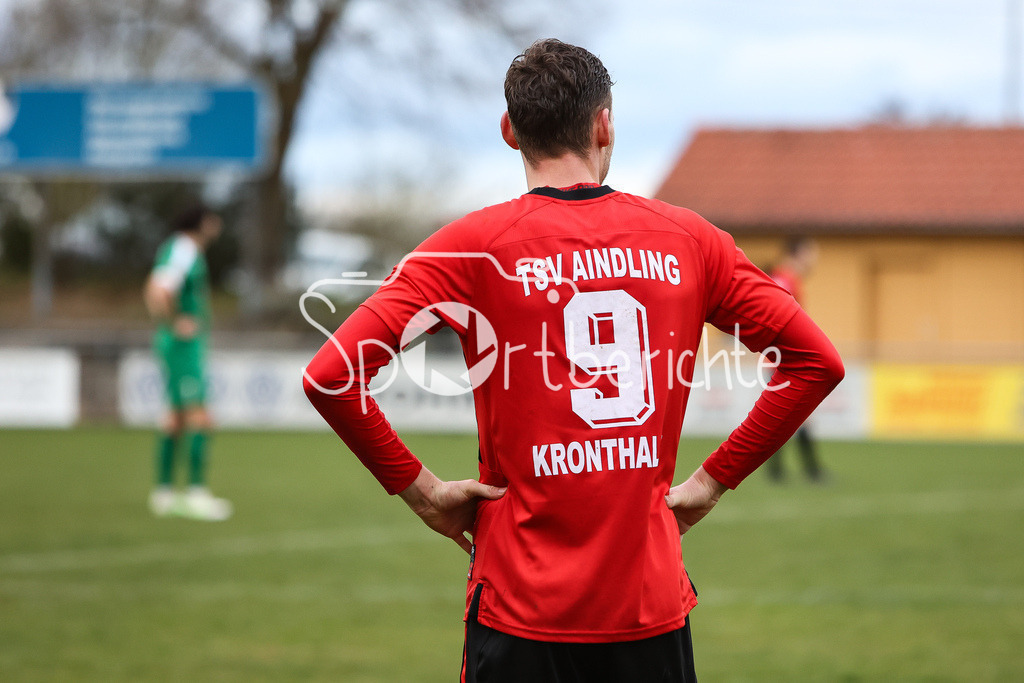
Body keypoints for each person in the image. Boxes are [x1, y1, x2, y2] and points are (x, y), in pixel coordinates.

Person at [303, 39, 843, 682]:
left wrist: (423, 493)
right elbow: (816, 362)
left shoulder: (468, 248)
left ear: (510, 130)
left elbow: (331, 376)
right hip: (648, 606)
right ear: (604, 123)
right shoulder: (691, 240)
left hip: (520, 610)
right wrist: (711, 481)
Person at [143, 201, 232, 521]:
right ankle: (196, 493)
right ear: (202, 222)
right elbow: (157, 290)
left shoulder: (180, 248)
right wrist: (174, 322)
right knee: (199, 415)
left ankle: (164, 493)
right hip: (182, 345)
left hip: (180, 345)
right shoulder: (183, 247)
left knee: (175, 417)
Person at [766, 236, 828, 483]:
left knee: (792, 418)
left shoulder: (789, 279)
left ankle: (784, 472)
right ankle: (805, 472)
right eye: (811, 253)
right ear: (798, 253)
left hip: (785, 360)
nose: (814, 259)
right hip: (784, 361)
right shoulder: (784, 280)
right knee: (790, 418)